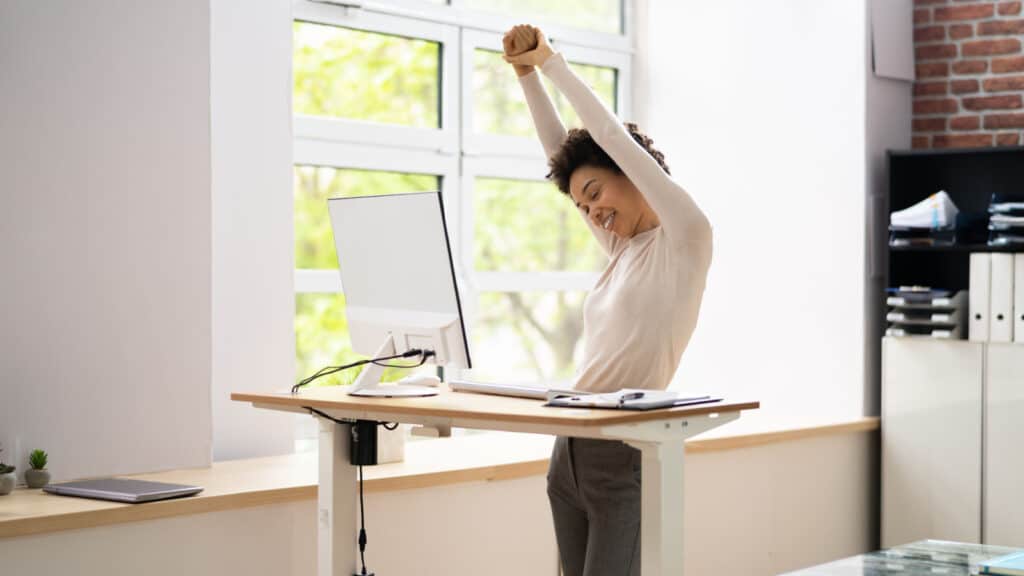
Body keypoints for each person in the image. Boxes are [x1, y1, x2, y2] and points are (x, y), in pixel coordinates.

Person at [501, 25, 714, 576]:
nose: (591, 212)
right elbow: (560, 155)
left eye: (596, 195)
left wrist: (551, 63)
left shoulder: (685, 237)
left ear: (633, 175)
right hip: (567, 452)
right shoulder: (622, 249)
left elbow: (611, 139)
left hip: (621, 454)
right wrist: (526, 77)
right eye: (581, 206)